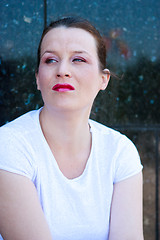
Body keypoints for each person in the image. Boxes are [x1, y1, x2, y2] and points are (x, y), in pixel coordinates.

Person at [0, 17, 143, 240]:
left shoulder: (120, 151)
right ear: (38, 79)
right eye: (50, 60)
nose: (62, 70)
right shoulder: (8, 145)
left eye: (78, 59)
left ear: (103, 79)